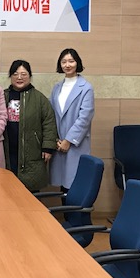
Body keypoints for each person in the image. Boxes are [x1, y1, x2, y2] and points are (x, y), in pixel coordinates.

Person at [3, 60, 57, 192]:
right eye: (15, 74)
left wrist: (48, 147)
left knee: (29, 189)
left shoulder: (39, 98)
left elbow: (49, 122)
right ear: (10, 76)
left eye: (23, 74)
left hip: (32, 150)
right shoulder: (3, 96)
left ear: (30, 76)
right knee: (6, 188)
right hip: (7, 148)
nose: (19, 77)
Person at [49, 48, 95, 191]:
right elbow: (50, 115)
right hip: (58, 143)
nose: (67, 65)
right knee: (62, 186)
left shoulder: (86, 88)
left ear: (77, 63)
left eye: (71, 61)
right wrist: (55, 138)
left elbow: (85, 118)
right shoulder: (57, 88)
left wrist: (68, 141)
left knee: (74, 186)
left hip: (75, 144)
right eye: (64, 62)